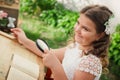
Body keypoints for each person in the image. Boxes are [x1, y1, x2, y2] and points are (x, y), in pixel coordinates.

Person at [11, 5, 113, 80]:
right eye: (78, 23)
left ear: (100, 35)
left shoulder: (90, 63)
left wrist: (55, 66)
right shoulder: (76, 47)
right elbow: (47, 52)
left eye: (85, 29)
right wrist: (24, 40)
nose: (77, 29)